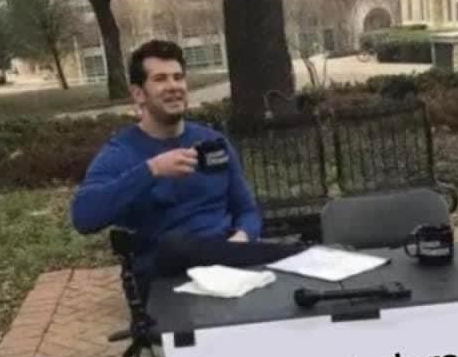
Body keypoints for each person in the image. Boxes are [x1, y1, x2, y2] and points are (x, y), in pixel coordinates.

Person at [71, 39, 300, 291]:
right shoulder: (121, 152)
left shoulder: (213, 143)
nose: (173, 86)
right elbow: (84, 217)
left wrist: (241, 238)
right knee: (176, 245)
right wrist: (152, 170)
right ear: (138, 94)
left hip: (228, 265)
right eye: (160, 79)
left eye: (178, 77)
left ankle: (300, 255)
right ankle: (290, 254)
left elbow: (247, 210)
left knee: (287, 273)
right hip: (167, 277)